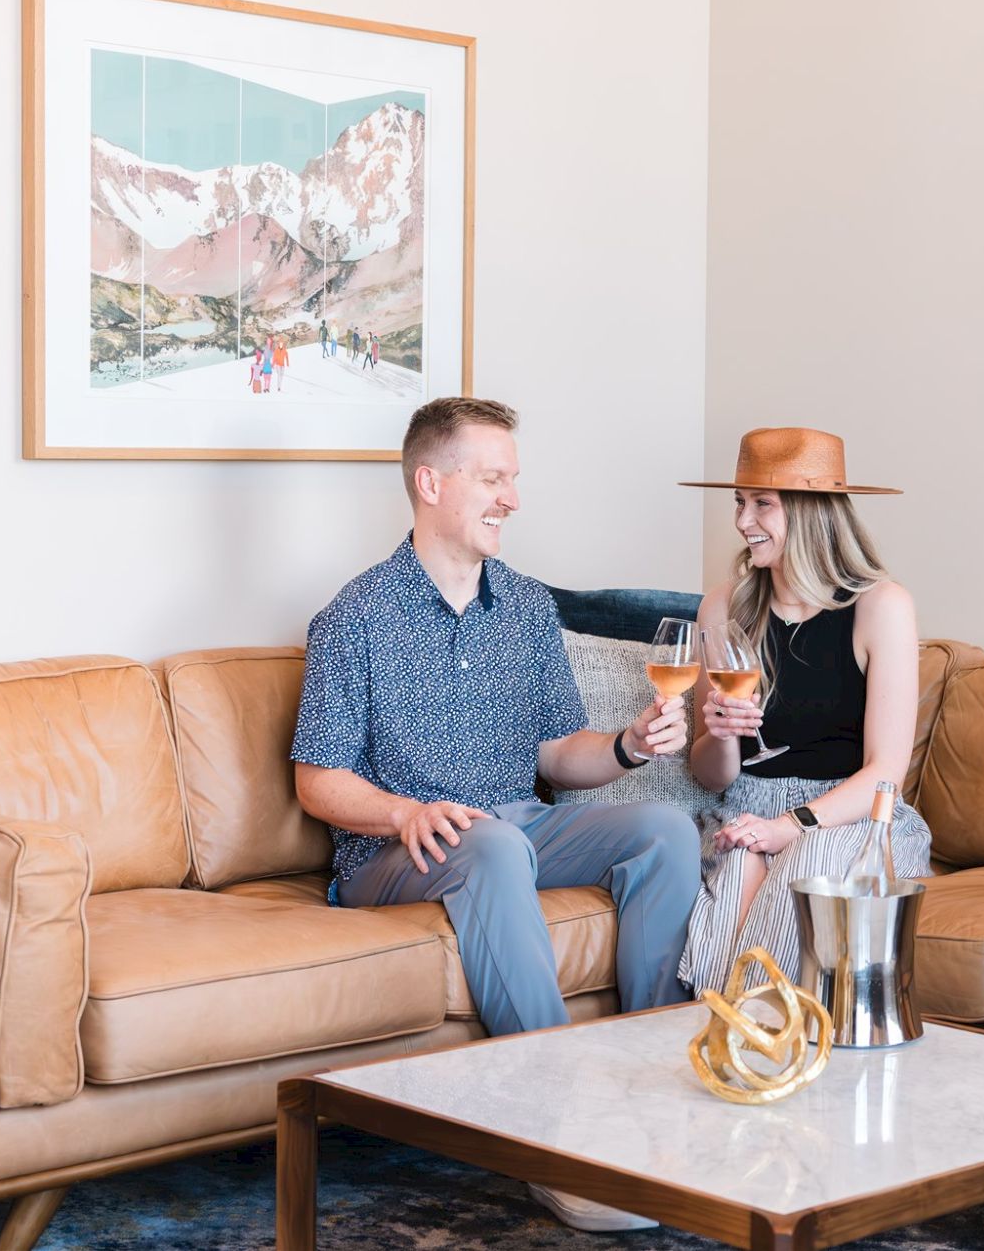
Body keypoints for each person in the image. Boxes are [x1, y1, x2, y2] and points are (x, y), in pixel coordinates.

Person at [291, 396, 699, 1233]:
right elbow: (317, 779)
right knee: (491, 845)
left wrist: (627, 745)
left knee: (664, 830)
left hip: (515, 824)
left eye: (513, 479)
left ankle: (651, 1087)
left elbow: (557, 753)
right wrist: (405, 811)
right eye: (493, 478)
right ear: (430, 481)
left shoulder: (524, 606)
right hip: (397, 852)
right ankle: (554, 1139)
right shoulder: (354, 616)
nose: (512, 497)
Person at [678, 427, 929, 994]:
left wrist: (788, 826)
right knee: (739, 865)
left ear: (815, 513)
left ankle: (764, 1042)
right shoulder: (724, 605)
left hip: (849, 817)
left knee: (805, 869)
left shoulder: (880, 607)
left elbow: (887, 773)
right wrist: (718, 734)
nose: (743, 522)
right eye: (740, 503)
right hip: (745, 809)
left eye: (762, 504)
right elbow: (710, 774)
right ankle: (721, 1041)